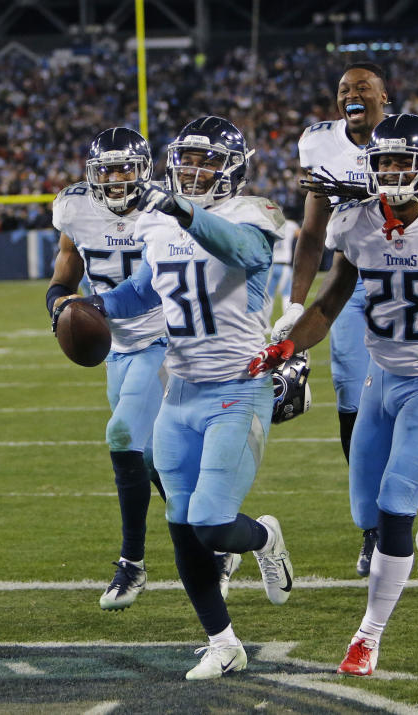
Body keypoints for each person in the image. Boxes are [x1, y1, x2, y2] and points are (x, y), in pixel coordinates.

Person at [249, 114, 418, 676]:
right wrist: (288, 346)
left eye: (403, 160)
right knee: (365, 512)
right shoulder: (354, 224)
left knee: (393, 508)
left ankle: (367, 636)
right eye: (383, 161)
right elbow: (329, 306)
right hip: (382, 378)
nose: (391, 170)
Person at [60, 116, 292, 680]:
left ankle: (264, 537)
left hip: (237, 388)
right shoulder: (158, 227)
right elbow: (145, 289)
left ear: (233, 168)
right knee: (183, 521)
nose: (194, 170)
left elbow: (239, 251)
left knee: (213, 523)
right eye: (187, 159)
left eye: (208, 160)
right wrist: (87, 309)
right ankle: (223, 641)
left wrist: (180, 209)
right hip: (181, 390)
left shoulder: (254, 214)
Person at [275, 61, 418, 581]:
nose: (351, 95)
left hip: (411, 284)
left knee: (412, 406)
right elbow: (312, 233)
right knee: (356, 411)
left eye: (362, 88)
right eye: (343, 89)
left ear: (385, 96)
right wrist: (295, 303)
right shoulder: (317, 144)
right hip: (351, 285)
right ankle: (378, 528)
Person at [46, 127, 169, 612]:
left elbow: (158, 282)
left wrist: (93, 305)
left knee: (121, 436)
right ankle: (220, 535)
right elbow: (65, 267)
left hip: (162, 337)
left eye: (125, 168)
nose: (117, 179)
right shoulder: (74, 207)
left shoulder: (164, 206)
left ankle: (132, 564)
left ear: (144, 170)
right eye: (107, 170)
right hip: (116, 346)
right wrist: (58, 304)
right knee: (154, 459)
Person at [267, 211, 297, 318]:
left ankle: (266, 326)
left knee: (269, 295)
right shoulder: (290, 225)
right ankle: (286, 324)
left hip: (271, 265)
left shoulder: (268, 223)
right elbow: (302, 233)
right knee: (286, 294)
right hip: (285, 266)